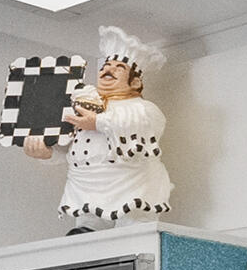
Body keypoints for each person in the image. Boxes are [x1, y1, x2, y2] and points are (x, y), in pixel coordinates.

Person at [28, 26, 172, 229]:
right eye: (105, 66)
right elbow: (70, 148)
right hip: (85, 186)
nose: (107, 70)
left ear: (136, 81)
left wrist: (97, 122)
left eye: (117, 68)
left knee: (132, 228)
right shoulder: (83, 105)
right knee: (87, 231)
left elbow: (140, 128)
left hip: (130, 186)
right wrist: (46, 153)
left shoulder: (143, 109)